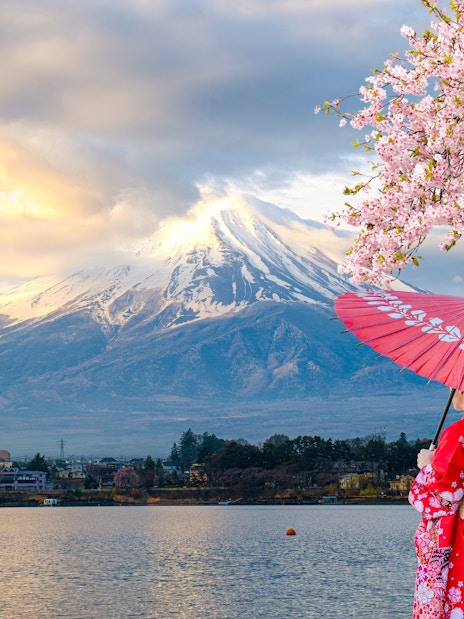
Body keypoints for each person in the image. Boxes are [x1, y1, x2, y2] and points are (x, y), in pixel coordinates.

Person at [409, 389, 464, 619]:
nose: (454, 392)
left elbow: (445, 496)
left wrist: (428, 465)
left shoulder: (458, 434)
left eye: (457, 386)